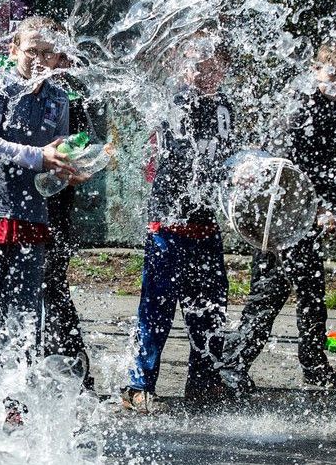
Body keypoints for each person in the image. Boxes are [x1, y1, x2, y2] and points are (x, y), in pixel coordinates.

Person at [219, 43, 336, 394]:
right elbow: (276, 169)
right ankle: (235, 365)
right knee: (271, 293)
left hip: (307, 222)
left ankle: (311, 365)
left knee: (306, 294)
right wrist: (285, 217)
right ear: (314, 71)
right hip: (279, 222)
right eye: (332, 74)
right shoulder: (299, 111)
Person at [0, 16, 77, 425]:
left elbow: (52, 169)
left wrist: (66, 169)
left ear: (58, 58)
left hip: (32, 222)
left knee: (25, 326)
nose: (39, 60)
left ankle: (15, 413)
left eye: (48, 53)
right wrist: (39, 156)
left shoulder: (59, 100)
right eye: (32, 51)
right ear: (14, 51)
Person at [120, 37, 239, 413]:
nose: (205, 72)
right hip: (168, 224)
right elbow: (176, 152)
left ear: (223, 69)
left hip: (205, 226)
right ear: (183, 67)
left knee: (209, 309)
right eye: (197, 64)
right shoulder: (172, 102)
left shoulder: (225, 108)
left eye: (213, 65)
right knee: (156, 309)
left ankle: (203, 382)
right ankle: (138, 384)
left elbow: (225, 160)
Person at [42, 49, 103, 391]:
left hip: (55, 206)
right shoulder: (10, 91)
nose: (50, 62)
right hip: (15, 207)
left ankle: (77, 378)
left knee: (51, 285)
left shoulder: (71, 99)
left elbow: (93, 148)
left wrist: (81, 167)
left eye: (55, 56)